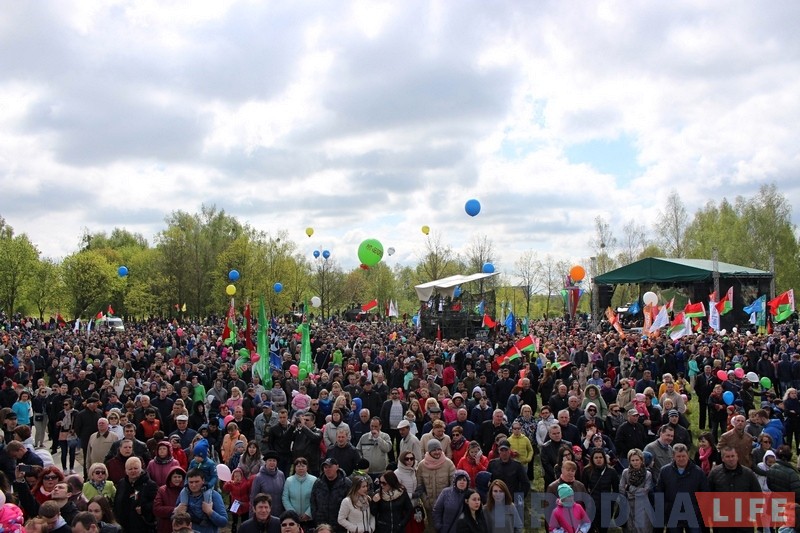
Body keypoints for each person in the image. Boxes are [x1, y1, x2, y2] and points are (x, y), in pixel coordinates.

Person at [655, 443, 709, 533]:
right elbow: (659, 492)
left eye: (683, 456)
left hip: (693, 515)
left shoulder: (698, 472)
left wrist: (699, 512)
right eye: (678, 456)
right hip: (673, 514)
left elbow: (705, 493)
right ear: (673, 457)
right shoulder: (665, 471)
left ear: (688, 455)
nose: (681, 459)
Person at [708, 447, 761, 533]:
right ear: (722, 459)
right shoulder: (715, 474)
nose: (731, 459)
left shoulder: (748, 474)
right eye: (728, 457)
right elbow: (707, 496)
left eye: (733, 456)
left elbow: (757, 495)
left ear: (737, 457)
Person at [174, 468, 228, 533]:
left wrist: (210, 512)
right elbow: (173, 519)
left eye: (197, 482)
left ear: (203, 481)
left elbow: (223, 522)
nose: (193, 485)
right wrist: (177, 512)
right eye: (191, 482)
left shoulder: (213, 495)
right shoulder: (183, 495)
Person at [113, 456, 158, 533]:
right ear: (126, 471)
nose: (133, 471)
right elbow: (116, 502)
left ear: (141, 469)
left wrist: (144, 508)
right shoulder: (121, 483)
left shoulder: (150, 485)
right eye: (130, 469)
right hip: (123, 526)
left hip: (142, 526)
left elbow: (155, 503)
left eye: (136, 468)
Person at [582, 448, 619, 533]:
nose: (598, 460)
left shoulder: (612, 472)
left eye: (600, 457)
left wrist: (611, 503)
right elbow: (584, 488)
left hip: (606, 506)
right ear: (592, 459)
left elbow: (616, 490)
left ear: (604, 458)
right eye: (596, 458)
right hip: (592, 506)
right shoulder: (587, 471)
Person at [310, 457, 353, 529]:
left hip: (340, 525)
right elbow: (313, 501)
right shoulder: (318, 483)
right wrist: (316, 517)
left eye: (330, 467)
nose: (327, 469)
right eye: (325, 467)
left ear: (337, 467)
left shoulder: (346, 483)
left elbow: (352, 501)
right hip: (322, 524)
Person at [415, 439, 455, 515]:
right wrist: (425, 501)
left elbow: (453, 484)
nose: (437, 452)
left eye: (439, 449)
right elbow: (419, 485)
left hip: (445, 505)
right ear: (429, 451)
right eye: (434, 450)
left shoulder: (449, 463)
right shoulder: (421, 465)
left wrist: (447, 501)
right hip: (429, 506)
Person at [487, 440, 529, 508]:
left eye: (506, 450)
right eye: (502, 450)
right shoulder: (492, 464)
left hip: (512, 500)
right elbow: (487, 482)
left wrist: (518, 499)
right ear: (498, 451)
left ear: (510, 450)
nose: (504, 453)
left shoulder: (517, 466)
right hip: (496, 499)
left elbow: (525, 484)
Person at [619, 449, 652, 533]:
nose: (635, 462)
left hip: (642, 505)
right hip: (628, 504)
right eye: (632, 460)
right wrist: (635, 491)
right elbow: (622, 489)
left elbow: (645, 491)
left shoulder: (647, 474)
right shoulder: (625, 472)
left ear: (641, 460)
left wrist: (629, 488)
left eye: (637, 460)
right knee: (629, 528)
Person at [282, 457, 316, 530]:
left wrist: (308, 514)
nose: (301, 468)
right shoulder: (289, 480)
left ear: (307, 467)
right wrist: (292, 513)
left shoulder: (314, 480)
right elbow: (285, 498)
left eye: (303, 466)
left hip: (309, 519)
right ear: (294, 468)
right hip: (293, 518)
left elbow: (316, 499)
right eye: (298, 466)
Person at [250, 451, 287, 517]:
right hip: (264, 513)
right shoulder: (259, 477)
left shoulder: (281, 475)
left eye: (274, 461)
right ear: (266, 462)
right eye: (270, 460)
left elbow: (284, 493)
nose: (272, 463)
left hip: (279, 513)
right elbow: (253, 497)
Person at [153, 466, 186, 533]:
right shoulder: (162, 490)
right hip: (166, 526)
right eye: (174, 477)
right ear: (170, 478)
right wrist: (174, 510)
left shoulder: (186, 490)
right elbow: (156, 509)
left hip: (183, 526)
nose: (177, 479)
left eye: (179, 477)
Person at [223, 468, 253, 533]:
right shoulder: (231, 484)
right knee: (235, 520)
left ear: (242, 476)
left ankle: (244, 530)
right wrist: (228, 483)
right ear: (233, 477)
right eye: (235, 476)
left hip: (244, 504)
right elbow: (225, 488)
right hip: (235, 504)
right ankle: (234, 529)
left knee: (244, 519)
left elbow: (250, 487)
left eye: (239, 476)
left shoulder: (245, 483)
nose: (237, 478)